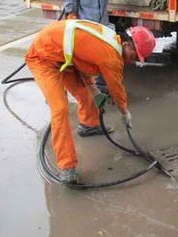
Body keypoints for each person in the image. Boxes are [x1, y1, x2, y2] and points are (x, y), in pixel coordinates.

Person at [25, 19, 156, 183]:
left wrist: (94, 91)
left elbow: (83, 60)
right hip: (42, 57)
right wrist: (124, 112)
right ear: (128, 44)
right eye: (134, 55)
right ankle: (66, 167)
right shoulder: (111, 56)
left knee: (84, 93)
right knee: (59, 109)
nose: (132, 61)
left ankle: (89, 125)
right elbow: (116, 89)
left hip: (64, 57)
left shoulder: (111, 40)